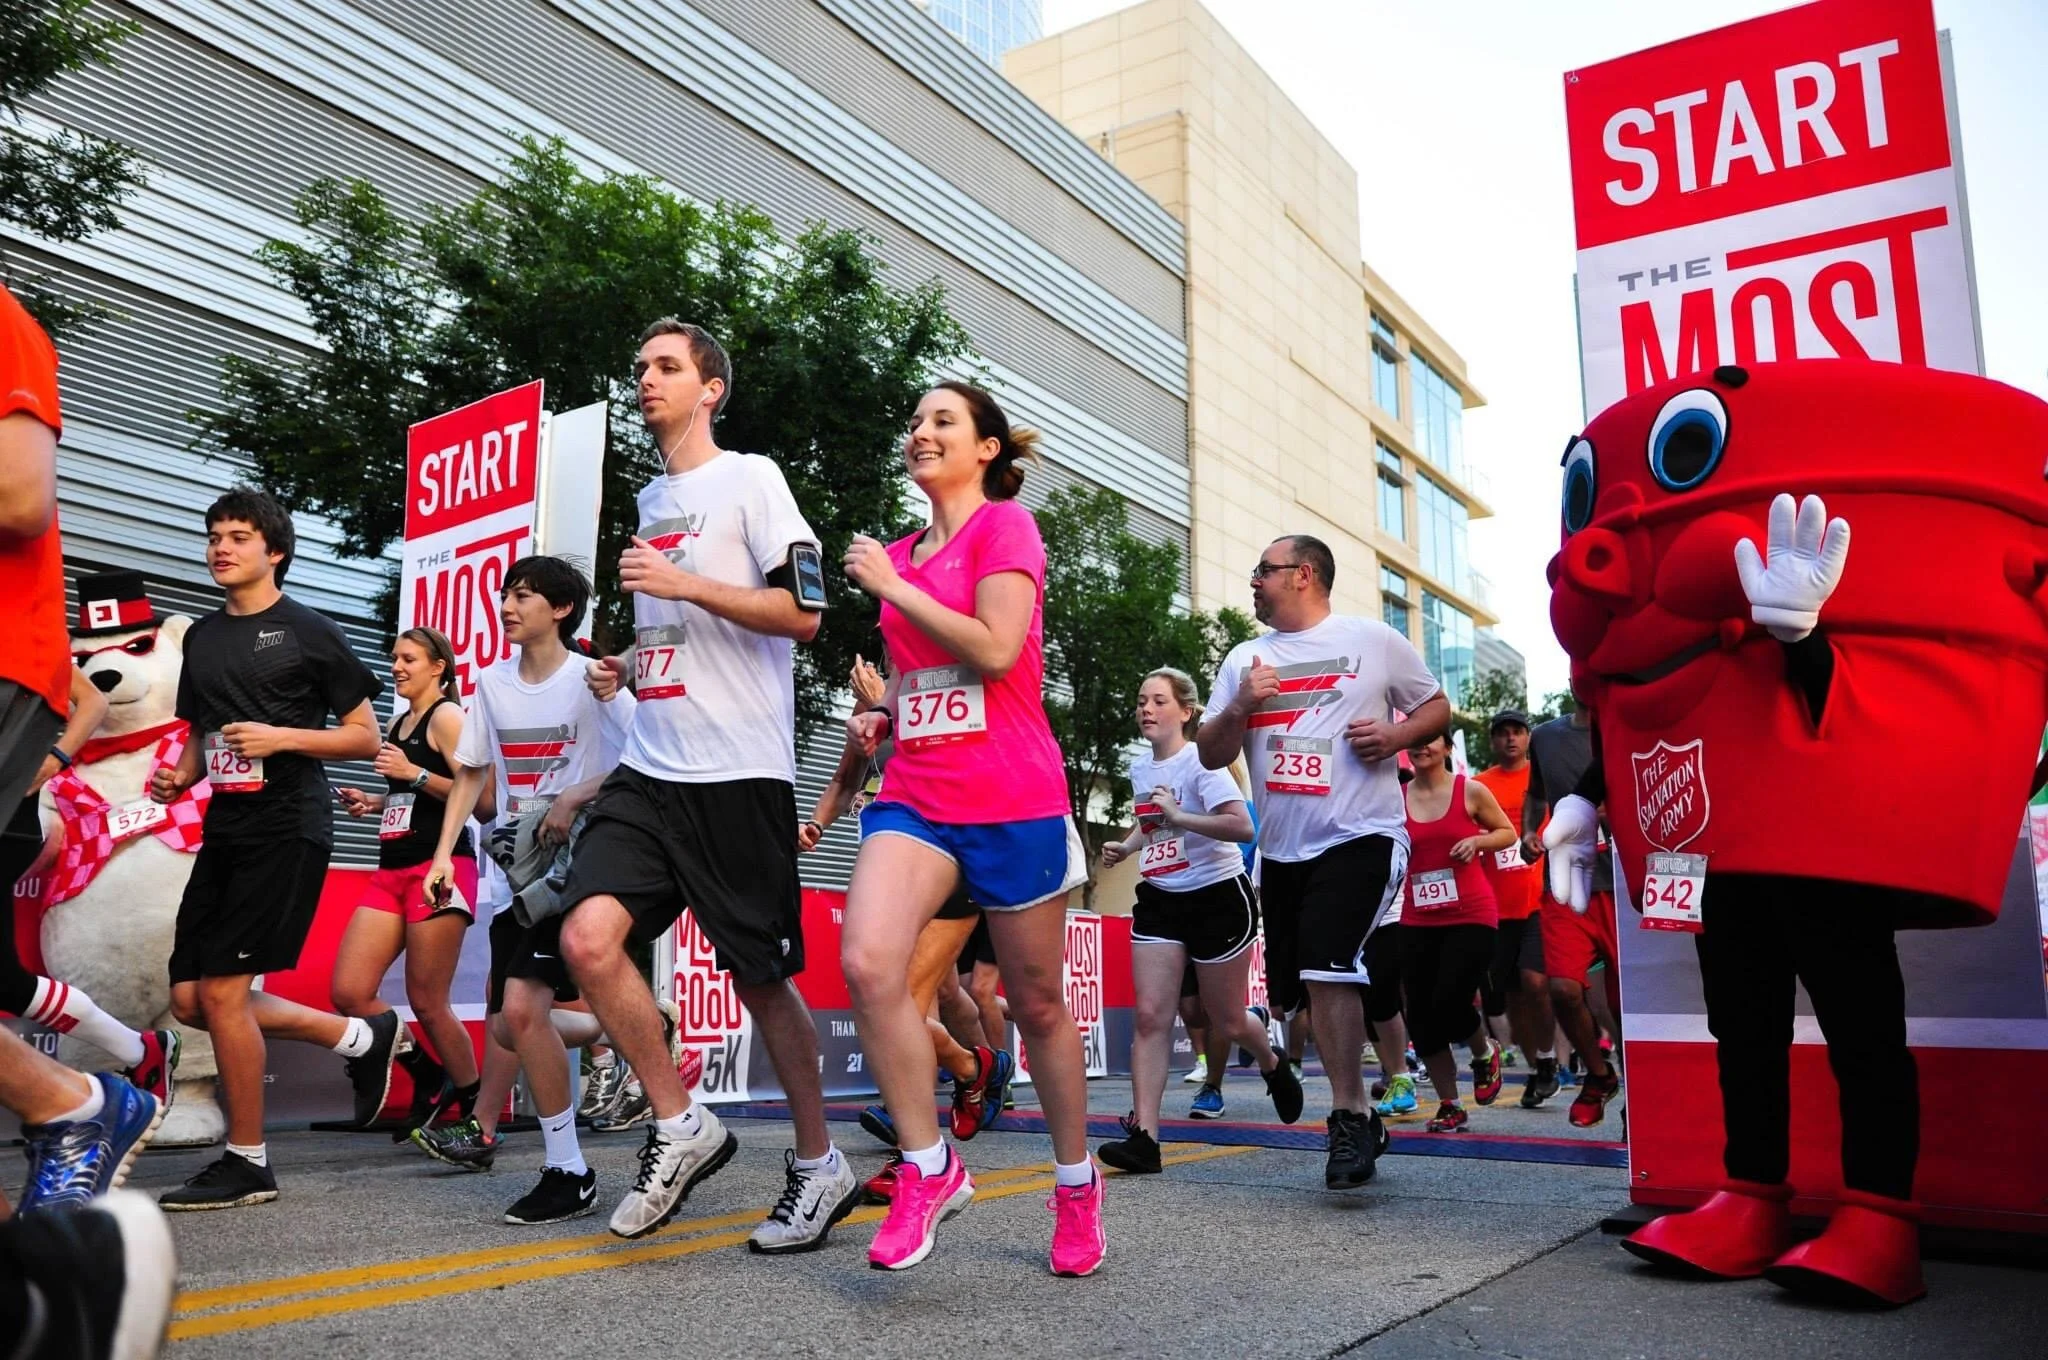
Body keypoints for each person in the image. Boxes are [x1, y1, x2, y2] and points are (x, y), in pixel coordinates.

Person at [558, 319, 855, 1255]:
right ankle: (683, 1123)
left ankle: (819, 1164)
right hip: (653, 766)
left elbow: (803, 616)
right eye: (640, 365)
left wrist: (683, 586)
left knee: (764, 982)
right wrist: (627, 666)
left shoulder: (753, 479)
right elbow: (677, 644)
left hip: (738, 772)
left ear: (711, 388)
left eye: (667, 367)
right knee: (587, 937)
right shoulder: (649, 495)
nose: (646, 378)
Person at [839, 380, 1102, 1275]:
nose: (921, 433)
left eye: (942, 421)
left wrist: (890, 585)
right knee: (869, 963)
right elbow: (931, 676)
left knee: (1033, 1004)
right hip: (918, 791)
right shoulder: (904, 551)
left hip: (1012, 794)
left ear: (986, 447)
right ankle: (927, 1167)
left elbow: (994, 650)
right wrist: (888, 715)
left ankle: (1075, 1184)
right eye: (914, 421)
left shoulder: (1003, 529)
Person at [150, 488, 391, 1210]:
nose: (223, 547)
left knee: (224, 992)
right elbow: (203, 734)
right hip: (225, 827)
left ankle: (248, 1161)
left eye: (239, 536)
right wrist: (180, 775)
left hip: (289, 825)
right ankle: (359, 1039)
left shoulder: (307, 630)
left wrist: (282, 736)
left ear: (274, 551)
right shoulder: (203, 638)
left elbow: (364, 737)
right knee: (191, 999)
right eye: (215, 535)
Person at [1197, 534, 1449, 1189]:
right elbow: (1207, 750)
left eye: (1264, 571)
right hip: (1281, 850)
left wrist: (1396, 735)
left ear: (1304, 574)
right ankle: (1364, 1116)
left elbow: (1436, 707)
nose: (1254, 581)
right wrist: (1242, 704)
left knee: (1329, 960)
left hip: (1362, 835)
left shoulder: (1373, 641)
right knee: (1293, 999)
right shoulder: (1244, 660)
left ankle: (1347, 1117)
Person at [418, 557, 633, 1223]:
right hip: (512, 872)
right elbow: (472, 774)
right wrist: (443, 856)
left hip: (578, 868)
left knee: (518, 1009)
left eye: (524, 596)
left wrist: (576, 793)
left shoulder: (591, 681)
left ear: (561, 609)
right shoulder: (490, 682)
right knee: (517, 1019)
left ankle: (567, 1168)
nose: (508, 606)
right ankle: (626, 1034)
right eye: (506, 595)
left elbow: (647, 757)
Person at [802, 654, 1014, 1184]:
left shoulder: (964, 674)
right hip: (890, 874)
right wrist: (813, 827)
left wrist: (882, 702)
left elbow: (968, 759)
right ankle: (974, 1067)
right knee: (899, 1008)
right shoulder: (875, 692)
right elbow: (847, 777)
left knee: (903, 1010)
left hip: (953, 860)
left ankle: (916, 1152)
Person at [1097, 669, 1303, 1174]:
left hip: (1217, 897)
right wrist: (1126, 846)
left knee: (1227, 1019)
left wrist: (1180, 817)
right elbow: (1152, 821)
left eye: (1158, 701)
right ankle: (1145, 1138)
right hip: (1162, 897)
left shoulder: (1204, 762)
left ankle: (1273, 1062)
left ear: (1185, 712)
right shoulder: (1141, 768)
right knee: (1151, 1017)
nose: (1146, 708)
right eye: (1141, 700)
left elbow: (1241, 825)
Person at [2, 664, 179, 1108]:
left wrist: (54, 760)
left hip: (9, 821)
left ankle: (68, 1106)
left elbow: (93, 701)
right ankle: (137, 1054)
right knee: (5, 982)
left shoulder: (25, 629)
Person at [331, 627, 480, 1133]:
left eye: (408, 658)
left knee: (428, 1001)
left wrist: (414, 773)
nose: (396, 666)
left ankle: (476, 1108)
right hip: (389, 869)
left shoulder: (448, 716)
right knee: (350, 992)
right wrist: (372, 802)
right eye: (394, 658)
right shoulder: (398, 722)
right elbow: (412, 799)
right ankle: (428, 1073)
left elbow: (481, 797)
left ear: (438, 666)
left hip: (440, 868)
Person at [1398, 733, 1515, 1132]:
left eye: (1431, 740)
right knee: (1422, 1016)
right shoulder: (1396, 797)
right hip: (1418, 917)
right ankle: (1450, 1104)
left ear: (1447, 748)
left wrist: (1477, 841)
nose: (1422, 747)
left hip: (1471, 914)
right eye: (1416, 741)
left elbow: (1507, 833)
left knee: (1449, 1001)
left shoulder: (1471, 790)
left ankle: (1484, 1053)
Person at [1523, 707, 1622, 1127]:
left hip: (1623, 883)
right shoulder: (1544, 736)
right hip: (1566, 883)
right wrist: (1529, 831)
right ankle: (1599, 1076)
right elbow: (1536, 793)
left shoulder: (1626, 722)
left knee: (1626, 1006)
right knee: (1562, 988)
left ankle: (1643, 1097)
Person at [1473, 710, 1562, 1107]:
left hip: (1541, 901)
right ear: (1493, 741)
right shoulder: (1478, 786)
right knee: (1511, 997)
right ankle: (1539, 1066)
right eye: (1503, 733)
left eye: (1518, 732)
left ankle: (1550, 1059)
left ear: (1528, 738)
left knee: (1537, 983)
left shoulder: (1544, 781)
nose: (1511, 739)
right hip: (1494, 907)